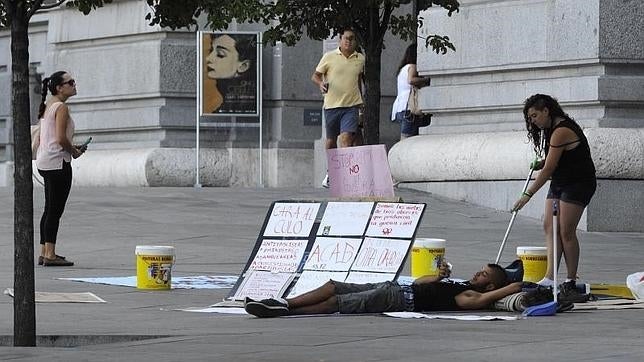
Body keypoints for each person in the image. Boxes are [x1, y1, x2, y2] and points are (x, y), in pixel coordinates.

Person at [512, 94, 596, 303]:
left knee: (566, 230)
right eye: (530, 117)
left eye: (534, 116)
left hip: (578, 183)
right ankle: (550, 277)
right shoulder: (550, 130)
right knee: (549, 225)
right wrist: (542, 162)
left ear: (546, 111)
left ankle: (569, 280)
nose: (533, 121)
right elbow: (552, 162)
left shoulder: (561, 131)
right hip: (561, 180)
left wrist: (527, 195)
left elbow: (550, 167)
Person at [244, 262, 524, 318]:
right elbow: (419, 282)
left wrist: (513, 285)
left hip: (396, 299)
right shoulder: (461, 285)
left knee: (338, 302)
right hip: (396, 288)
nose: (477, 273)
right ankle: (284, 302)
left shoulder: (471, 297)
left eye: (483, 275)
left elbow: (487, 298)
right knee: (333, 286)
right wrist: (437, 276)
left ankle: (284, 310)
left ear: (490, 285)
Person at [35, 71, 87, 267]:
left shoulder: (48, 105)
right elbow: (60, 139)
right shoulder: (61, 107)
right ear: (59, 87)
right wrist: (74, 151)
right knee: (55, 210)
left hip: (45, 161)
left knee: (49, 208)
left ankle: (44, 251)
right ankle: (50, 254)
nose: (74, 85)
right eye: (70, 82)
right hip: (58, 163)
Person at [311, 28, 365, 188]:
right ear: (340, 40)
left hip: (351, 105)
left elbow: (359, 81)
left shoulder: (360, 59)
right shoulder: (329, 57)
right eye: (346, 38)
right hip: (332, 105)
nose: (349, 41)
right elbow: (315, 75)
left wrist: (362, 102)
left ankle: (346, 173)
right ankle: (331, 171)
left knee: (346, 139)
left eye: (352, 38)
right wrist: (321, 84)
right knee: (331, 140)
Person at [203, 33, 256, 114]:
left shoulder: (247, 104)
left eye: (220, 54)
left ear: (243, 66)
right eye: (211, 51)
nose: (208, 58)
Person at [391, 43, 431, 139]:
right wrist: (426, 80)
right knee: (407, 138)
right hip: (409, 107)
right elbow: (411, 80)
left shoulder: (403, 68)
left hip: (400, 107)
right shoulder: (412, 66)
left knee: (406, 137)